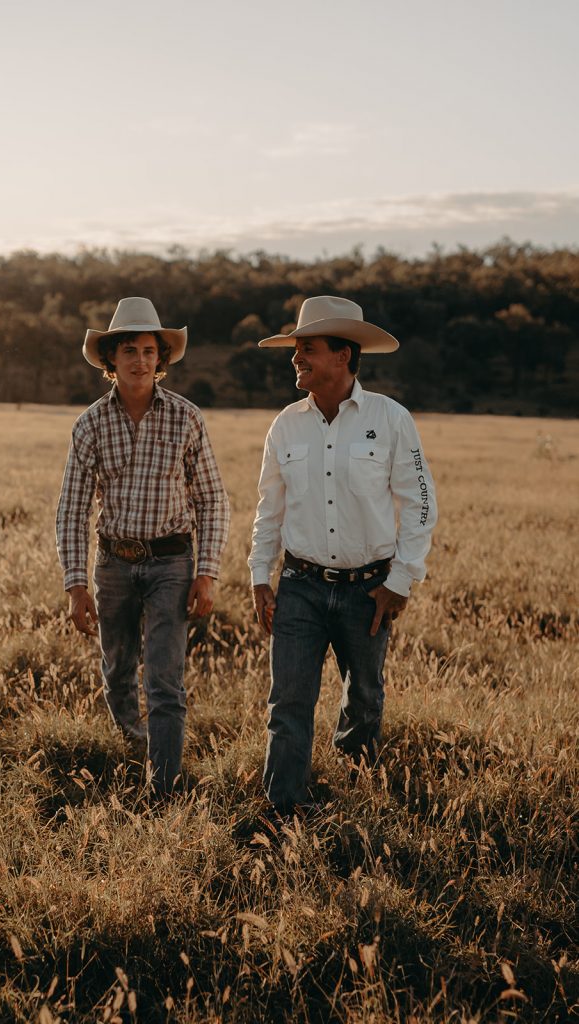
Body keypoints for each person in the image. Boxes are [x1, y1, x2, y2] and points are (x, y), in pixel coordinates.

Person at [248, 295, 437, 815]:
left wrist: (401, 580)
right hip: (300, 586)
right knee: (288, 702)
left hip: (369, 590)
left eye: (307, 348)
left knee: (365, 699)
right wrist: (260, 575)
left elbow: (419, 503)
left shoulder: (391, 418)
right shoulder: (285, 425)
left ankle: (356, 797)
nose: (296, 358)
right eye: (296, 349)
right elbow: (269, 507)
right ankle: (282, 811)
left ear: (343, 355)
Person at [56, 297, 230, 795]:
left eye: (149, 351)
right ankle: (134, 747)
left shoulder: (186, 418)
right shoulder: (91, 423)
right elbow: (72, 508)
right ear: (111, 359)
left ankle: (164, 785)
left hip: (172, 564)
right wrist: (75, 586)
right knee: (116, 671)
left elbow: (212, 500)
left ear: (161, 358)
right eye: (129, 350)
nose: (140, 360)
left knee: (164, 679)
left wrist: (207, 573)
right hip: (113, 564)